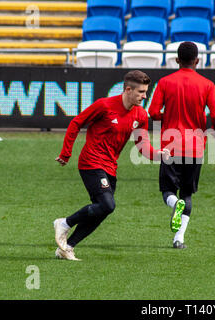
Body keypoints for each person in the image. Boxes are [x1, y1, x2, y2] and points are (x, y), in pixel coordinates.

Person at [53, 70, 170, 261]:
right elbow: (76, 123)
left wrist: (157, 155)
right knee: (107, 204)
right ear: (128, 89)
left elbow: (142, 145)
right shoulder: (104, 105)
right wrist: (66, 153)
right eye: (141, 92)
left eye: (146, 92)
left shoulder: (140, 115)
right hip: (91, 162)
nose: (144, 96)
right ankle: (65, 223)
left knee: (102, 210)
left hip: (110, 167)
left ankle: (67, 247)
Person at [149, 41, 215, 249]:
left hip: (170, 146)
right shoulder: (207, 84)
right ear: (197, 61)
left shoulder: (165, 82)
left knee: (167, 192)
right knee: (187, 194)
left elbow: (154, 112)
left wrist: (167, 117)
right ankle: (178, 239)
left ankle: (175, 205)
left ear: (177, 60)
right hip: (195, 147)